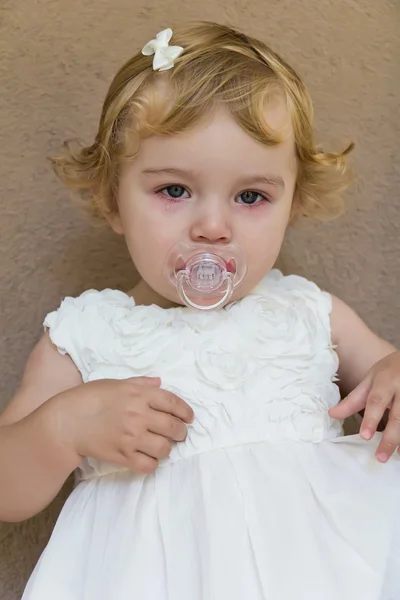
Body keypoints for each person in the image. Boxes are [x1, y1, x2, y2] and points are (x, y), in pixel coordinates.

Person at [0, 21, 399, 600]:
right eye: (175, 190)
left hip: (320, 566)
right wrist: (64, 427)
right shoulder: (85, 334)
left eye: (251, 197)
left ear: (294, 204)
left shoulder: (309, 310)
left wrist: (392, 373)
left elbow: (389, 376)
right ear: (112, 199)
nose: (213, 228)